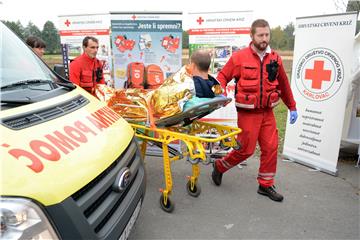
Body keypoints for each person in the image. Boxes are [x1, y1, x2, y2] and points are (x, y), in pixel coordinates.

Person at [211, 19, 298, 202]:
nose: (264, 38)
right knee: (245, 150)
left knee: (271, 147)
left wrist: (292, 106)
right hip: (248, 114)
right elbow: (222, 77)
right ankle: (220, 166)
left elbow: (283, 84)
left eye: (267, 34)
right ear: (252, 36)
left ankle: (265, 185)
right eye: (260, 35)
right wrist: (218, 94)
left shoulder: (275, 58)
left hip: (267, 112)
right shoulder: (239, 58)